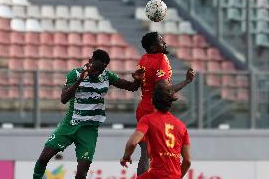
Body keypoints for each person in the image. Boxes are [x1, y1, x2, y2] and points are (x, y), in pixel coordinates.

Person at [33, 49, 144, 179]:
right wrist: (80, 80)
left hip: (89, 129)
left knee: (81, 174)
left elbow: (131, 87)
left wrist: (137, 80)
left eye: (101, 70)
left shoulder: (107, 76)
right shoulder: (75, 74)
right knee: (43, 159)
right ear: (90, 61)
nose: (97, 73)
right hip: (70, 124)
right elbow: (63, 99)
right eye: (96, 68)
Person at [136, 31, 195, 175]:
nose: (164, 43)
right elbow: (163, 90)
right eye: (161, 41)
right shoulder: (161, 58)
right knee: (164, 152)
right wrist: (187, 81)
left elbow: (138, 83)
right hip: (155, 108)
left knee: (145, 151)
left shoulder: (143, 59)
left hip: (142, 107)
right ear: (154, 47)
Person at [120, 82, 191, 179]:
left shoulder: (147, 120)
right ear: (170, 102)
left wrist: (126, 157)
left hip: (156, 175)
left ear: (152, 100)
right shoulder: (182, 126)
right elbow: (187, 161)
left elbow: (132, 142)